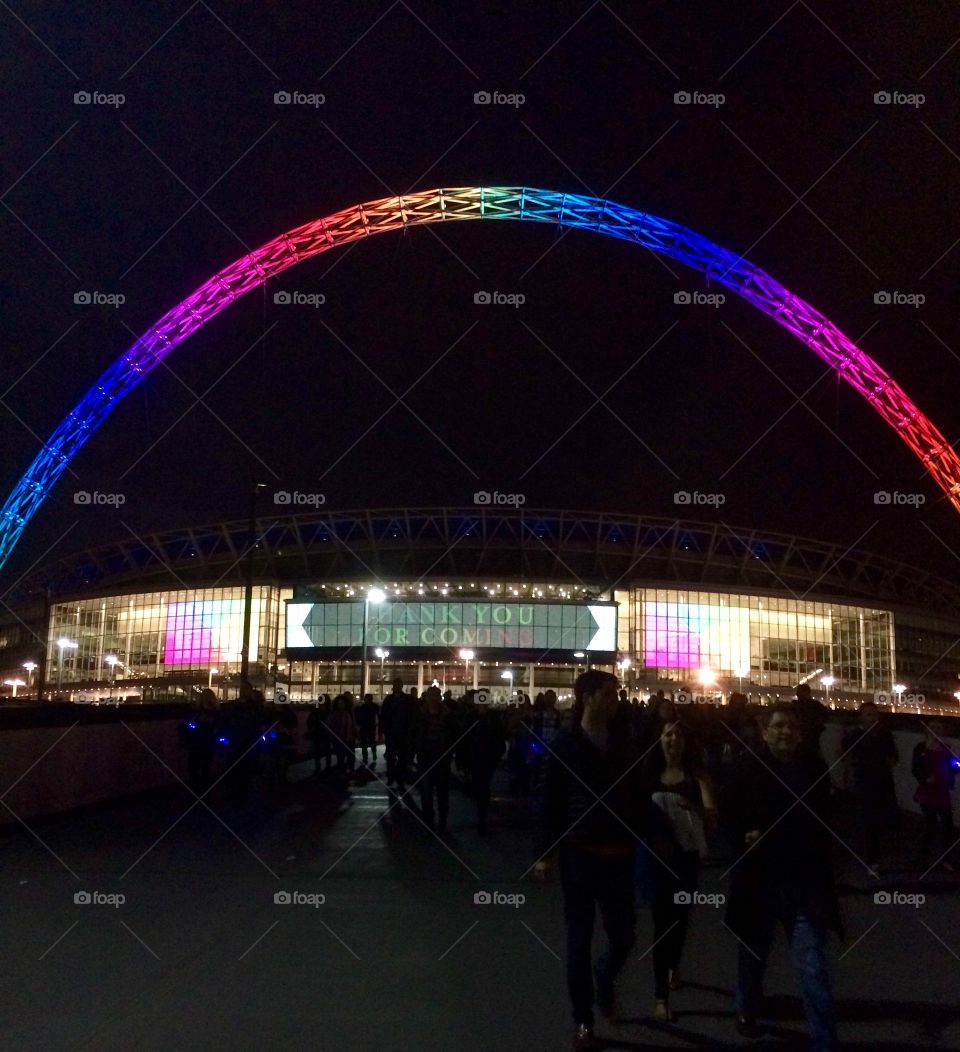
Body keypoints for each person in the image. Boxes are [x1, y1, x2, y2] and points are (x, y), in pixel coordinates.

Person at [534, 670, 650, 1051]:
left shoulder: (625, 742)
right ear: (587, 697)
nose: (616, 700)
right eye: (609, 694)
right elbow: (549, 802)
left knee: (624, 935)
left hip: (618, 854)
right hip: (579, 854)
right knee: (578, 940)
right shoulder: (565, 745)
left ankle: (605, 975)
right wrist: (544, 854)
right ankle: (583, 1020)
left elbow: (637, 794)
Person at [725, 702, 840, 1050]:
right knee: (754, 953)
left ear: (800, 733)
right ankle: (746, 1005)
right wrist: (743, 837)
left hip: (803, 881)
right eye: (777, 726)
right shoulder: (746, 769)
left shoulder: (814, 769)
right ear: (764, 732)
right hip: (760, 882)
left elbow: (824, 823)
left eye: (790, 726)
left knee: (813, 966)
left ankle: (825, 1042)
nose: (785, 732)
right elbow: (729, 820)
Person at [641, 719, 716, 1021]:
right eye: (667, 734)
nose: (673, 739)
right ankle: (661, 996)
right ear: (658, 740)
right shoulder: (648, 776)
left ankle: (674, 965)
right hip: (656, 859)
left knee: (680, 920)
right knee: (662, 924)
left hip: (686, 859)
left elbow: (713, 819)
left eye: (679, 734)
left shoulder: (697, 776)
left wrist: (694, 809)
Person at [838, 701, 898, 875]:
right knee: (870, 821)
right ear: (861, 717)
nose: (872, 718)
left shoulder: (884, 735)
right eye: (868, 715)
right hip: (865, 783)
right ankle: (873, 859)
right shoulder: (854, 736)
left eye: (874, 714)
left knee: (887, 819)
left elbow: (893, 758)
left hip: (884, 782)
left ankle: (880, 853)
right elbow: (843, 755)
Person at [912, 720, 958, 872]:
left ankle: (947, 858)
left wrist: (956, 766)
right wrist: (925, 779)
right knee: (931, 826)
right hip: (927, 791)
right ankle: (922, 857)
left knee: (947, 826)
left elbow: (953, 767)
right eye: (933, 727)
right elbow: (915, 769)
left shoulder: (946, 749)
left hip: (942, 790)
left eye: (939, 727)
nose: (936, 730)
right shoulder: (921, 748)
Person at [412, 685, 456, 832]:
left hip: (442, 758)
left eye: (435, 696)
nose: (432, 700)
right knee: (427, 792)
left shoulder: (448, 716)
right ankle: (428, 823)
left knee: (442, 792)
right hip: (426, 758)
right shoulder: (419, 716)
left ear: (439, 698)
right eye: (430, 696)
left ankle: (442, 820)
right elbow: (413, 735)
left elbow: (453, 736)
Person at [462, 690, 506, 834]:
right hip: (475, 756)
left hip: (488, 757)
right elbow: (465, 738)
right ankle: (481, 809)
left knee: (484, 786)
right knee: (478, 786)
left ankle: (482, 817)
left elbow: (500, 735)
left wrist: (498, 753)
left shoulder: (493, 717)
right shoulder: (471, 717)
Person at [178, 688, 218, 792]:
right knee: (199, 767)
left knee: (200, 767)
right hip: (202, 742)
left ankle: (199, 790)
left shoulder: (197, 712)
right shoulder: (212, 712)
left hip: (201, 742)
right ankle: (201, 791)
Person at [382, 678, 415, 798]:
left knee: (402, 757)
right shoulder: (389, 699)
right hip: (391, 732)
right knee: (390, 757)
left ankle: (400, 779)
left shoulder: (408, 699)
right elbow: (383, 715)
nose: (396, 686)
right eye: (395, 685)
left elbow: (412, 715)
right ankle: (392, 777)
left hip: (403, 733)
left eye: (398, 685)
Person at [356, 693, 379, 768]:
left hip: (367, 727)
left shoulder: (363, 707)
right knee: (369, 743)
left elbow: (359, 717)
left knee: (366, 743)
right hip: (368, 727)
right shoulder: (374, 706)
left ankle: (367, 757)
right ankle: (372, 755)